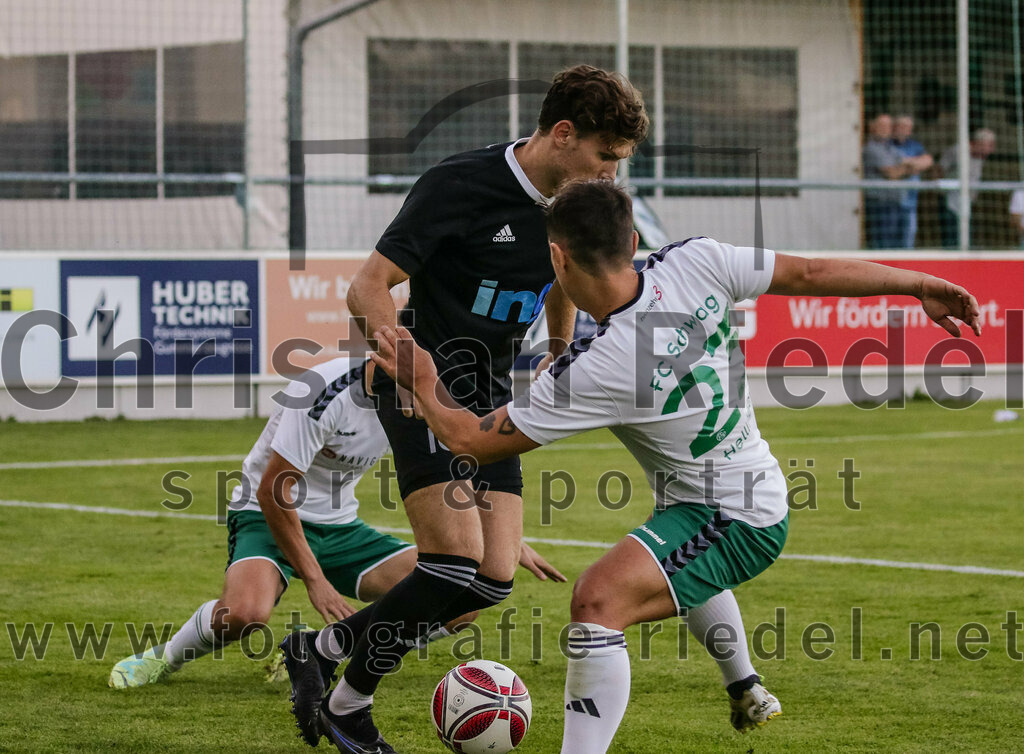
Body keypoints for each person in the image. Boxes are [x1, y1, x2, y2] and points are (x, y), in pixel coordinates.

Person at [370, 180, 982, 753]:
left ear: (556, 259)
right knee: (670, 557)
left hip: (738, 514)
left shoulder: (597, 367)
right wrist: (917, 283)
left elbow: (470, 443)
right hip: (728, 491)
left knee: (597, 600)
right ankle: (745, 686)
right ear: (633, 241)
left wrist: (421, 377)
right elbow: (813, 270)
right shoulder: (697, 260)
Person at [285, 65, 648, 754]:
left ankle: (321, 647)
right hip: (426, 386)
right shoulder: (460, 185)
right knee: (450, 564)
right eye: (605, 156)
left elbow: (561, 269)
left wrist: (562, 346)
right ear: (563, 134)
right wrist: (411, 373)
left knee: (491, 580)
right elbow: (368, 288)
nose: (610, 174)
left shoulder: (570, 205)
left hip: (492, 396)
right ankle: (348, 703)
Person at [108, 358, 562, 724]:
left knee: (462, 601)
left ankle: (322, 650)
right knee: (245, 614)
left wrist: (506, 539)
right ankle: (163, 657)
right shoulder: (320, 390)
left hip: (342, 527)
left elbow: (460, 463)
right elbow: (273, 490)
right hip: (266, 514)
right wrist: (316, 580)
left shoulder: (425, 393)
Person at [862, 114, 930, 249]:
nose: (886, 129)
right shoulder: (871, 148)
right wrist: (908, 168)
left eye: (888, 126)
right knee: (884, 245)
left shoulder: (889, 148)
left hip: (895, 202)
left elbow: (913, 163)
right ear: (872, 127)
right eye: (882, 126)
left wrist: (905, 167)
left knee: (900, 245)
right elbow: (891, 173)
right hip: (880, 204)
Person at [937, 128, 996, 248]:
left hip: (967, 201)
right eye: (988, 146)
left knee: (966, 233)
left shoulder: (979, 156)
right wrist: (943, 190)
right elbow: (938, 169)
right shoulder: (957, 151)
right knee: (951, 235)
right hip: (950, 201)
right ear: (977, 143)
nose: (990, 150)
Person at [891, 115, 933, 248]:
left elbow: (927, 161)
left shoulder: (915, 145)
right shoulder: (887, 145)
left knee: (909, 234)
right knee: (889, 236)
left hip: (910, 200)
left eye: (907, 127)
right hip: (890, 199)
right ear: (894, 127)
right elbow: (891, 169)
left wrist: (906, 163)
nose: (904, 130)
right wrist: (913, 165)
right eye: (901, 126)